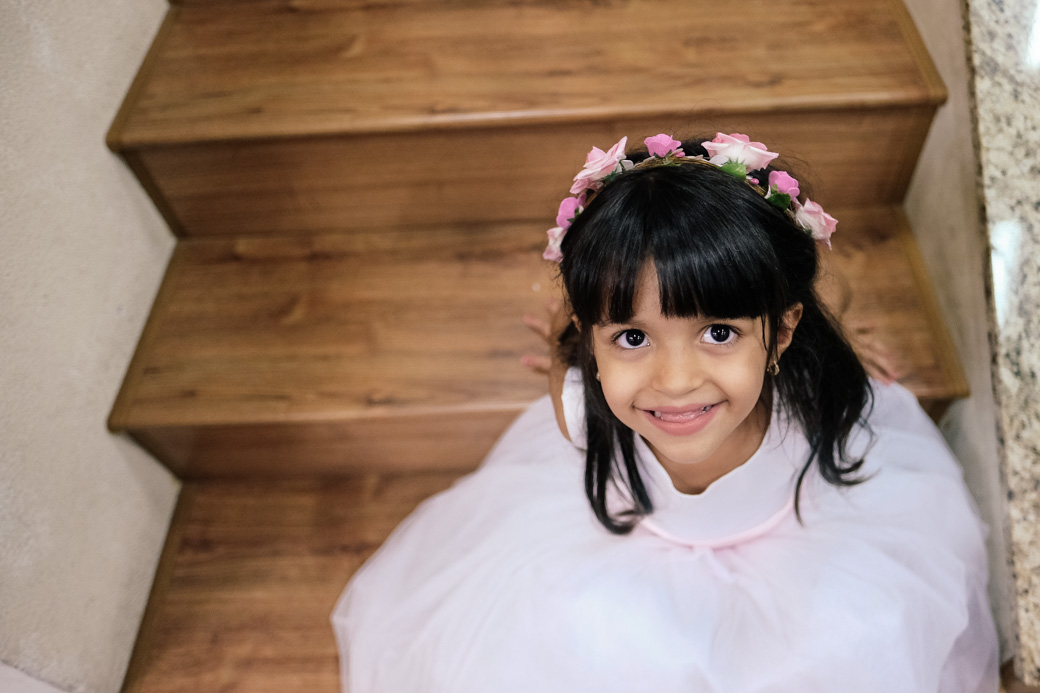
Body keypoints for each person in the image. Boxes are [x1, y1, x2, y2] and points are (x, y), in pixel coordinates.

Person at [331, 133, 999, 692]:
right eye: (631, 337)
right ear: (591, 342)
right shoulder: (579, 410)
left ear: (784, 333)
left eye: (718, 332)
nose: (675, 383)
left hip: (808, 558)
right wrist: (561, 348)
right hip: (620, 569)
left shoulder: (815, 395)